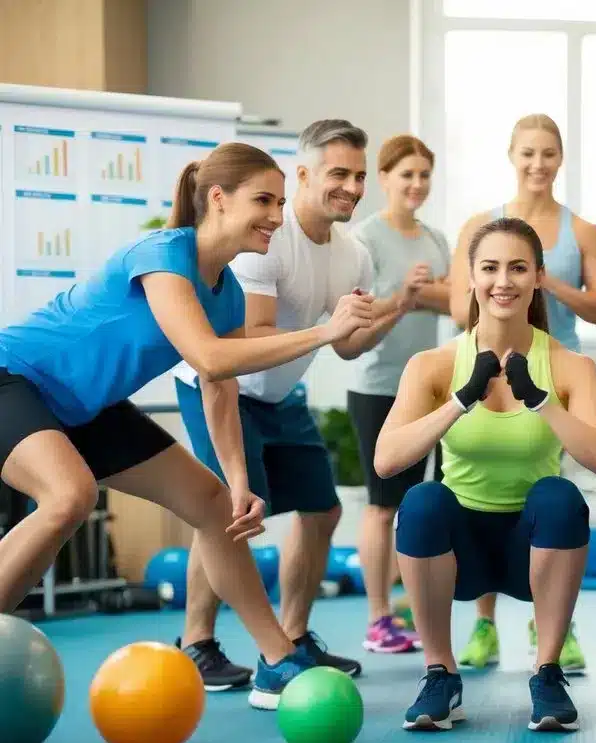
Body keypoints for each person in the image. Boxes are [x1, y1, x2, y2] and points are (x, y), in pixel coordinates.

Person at [0, 143, 377, 709]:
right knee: (70, 496)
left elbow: (219, 389)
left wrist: (237, 481)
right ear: (218, 198)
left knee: (214, 504)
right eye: (263, 201)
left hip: (86, 408)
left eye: (280, 203)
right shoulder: (163, 255)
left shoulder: (227, 294)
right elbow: (208, 357)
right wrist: (326, 331)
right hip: (15, 378)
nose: (277, 217)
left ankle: (278, 660)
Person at [171, 119, 407, 690]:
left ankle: (295, 638)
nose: (352, 187)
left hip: (279, 393)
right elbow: (252, 336)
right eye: (338, 174)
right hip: (221, 385)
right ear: (303, 174)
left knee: (322, 510)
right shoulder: (268, 240)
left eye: (359, 176)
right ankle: (197, 643)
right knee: (225, 515)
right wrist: (330, 331)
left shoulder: (353, 255)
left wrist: (386, 314)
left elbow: (348, 347)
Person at [376, 216, 596, 732]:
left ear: (539, 277)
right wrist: (461, 400)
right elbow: (387, 460)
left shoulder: (571, 366)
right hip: (459, 555)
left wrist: (541, 400)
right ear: (471, 277)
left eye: (517, 268)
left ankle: (547, 673)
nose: (503, 281)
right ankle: (440, 675)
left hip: (531, 550)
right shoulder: (434, 364)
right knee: (422, 501)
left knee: (560, 496)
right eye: (489, 268)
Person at [448, 114, 596, 674]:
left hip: (553, 372)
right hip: (487, 361)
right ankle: (484, 624)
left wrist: (540, 277)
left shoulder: (582, 232)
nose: (538, 164)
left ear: (561, 158)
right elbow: (459, 307)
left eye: (548, 153)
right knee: (478, 481)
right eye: (528, 153)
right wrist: (508, 285)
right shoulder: (480, 225)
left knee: (550, 490)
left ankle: (554, 626)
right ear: (511, 155)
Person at [348, 133, 452, 655]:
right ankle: (377, 618)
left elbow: (457, 302)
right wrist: (406, 296)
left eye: (424, 175)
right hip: (377, 387)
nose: (416, 184)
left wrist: (420, 294)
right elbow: (362, 315)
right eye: (406, 174)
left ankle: (409, 606)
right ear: (384, 178)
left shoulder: (435, 239)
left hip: (428, 390)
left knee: (419, 504)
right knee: (382, 506)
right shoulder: (363, 240)